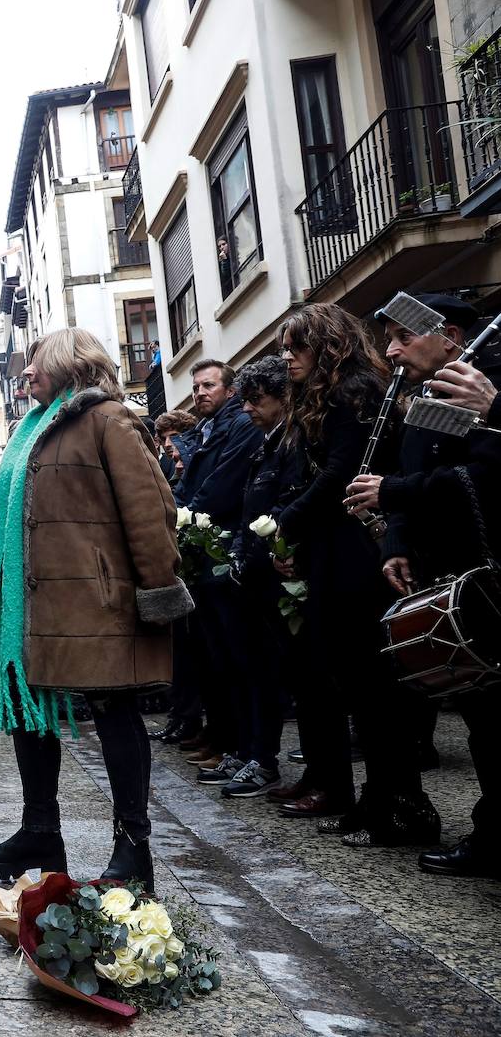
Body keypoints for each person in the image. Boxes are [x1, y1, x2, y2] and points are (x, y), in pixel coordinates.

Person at [0, 328, 191, 891]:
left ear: (68, 361)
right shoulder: (30, 430)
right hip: (38, 605)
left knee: (114, 713)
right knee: (29, 709)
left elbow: (150, 510)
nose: (24, 373)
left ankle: (132, 845)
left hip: (99, 598)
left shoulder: (108, 419)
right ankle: (40, 829)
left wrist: (157, 590)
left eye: (34, 362)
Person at [345, 293, 501, 875]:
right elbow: (413, 476)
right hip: (449, 573)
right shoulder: (428, 396)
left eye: (402, 338)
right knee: (483, 715)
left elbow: (475, 477)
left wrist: (395, 494)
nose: (391, 351)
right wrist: (396, 543)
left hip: (488, 576)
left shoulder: (483, 386)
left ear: (451, 337)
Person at [274, 303, 439, 847]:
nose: (287, 357)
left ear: (326, 345)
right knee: (356, 684)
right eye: (284, 347)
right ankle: (378, 799)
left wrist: (282, 524)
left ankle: (401, 804)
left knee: (375, 685)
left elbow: (346, 473)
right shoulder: (331, 395)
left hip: (358, 549)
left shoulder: (357, 390)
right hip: (334, 546)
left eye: (297, 346)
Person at [213, 356, 305, 797]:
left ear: (283, 398)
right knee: (249, 669)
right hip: (252, 573)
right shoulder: (267, 443)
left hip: (277, 577)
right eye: (245, 399)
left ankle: (264, 759)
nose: (248, 408)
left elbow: (283, 505)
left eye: (257, 400)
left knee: (270, 673)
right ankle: (253, 751)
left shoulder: (292, 443)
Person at [170, 360, 263, 772]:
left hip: (224, 552)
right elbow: (190, 483)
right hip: (204, 557)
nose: (201, 392)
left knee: (238, 661)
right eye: (196, 386)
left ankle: (245, 748)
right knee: (215, 660)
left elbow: (221, 485)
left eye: (209, 384)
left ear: (230, 389)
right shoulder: (201, 432)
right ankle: (227, 742)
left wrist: (186, 514)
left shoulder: (239, 425)